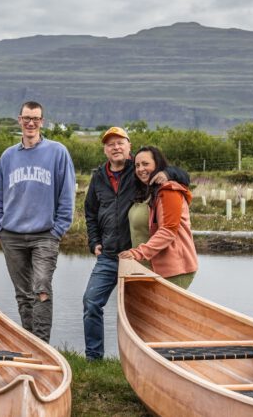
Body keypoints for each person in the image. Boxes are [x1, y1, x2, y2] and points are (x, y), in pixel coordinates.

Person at [83, 128, 189, 360]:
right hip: (109, 256)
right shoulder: (98, 176)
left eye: (120, 142)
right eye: (110, 144)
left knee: (139, 313)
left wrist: (168, 172)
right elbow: (90, 211)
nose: (116, 147)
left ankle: (137, 360)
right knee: (91, 302)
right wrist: (94, 241)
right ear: (105, 150)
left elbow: (182, 176)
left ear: (129, 146)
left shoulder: (139, 170)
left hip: (139, 259)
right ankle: (93, 358)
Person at [0, 101, 76, 343]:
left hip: (45, 235)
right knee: (23, 294)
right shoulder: (8, 156)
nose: (31, 123)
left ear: (42, 122)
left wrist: (58, 229)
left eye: (36, 119)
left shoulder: (57, 152)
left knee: (41, 289)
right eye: (26, 118)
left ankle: (42, 345)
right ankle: (29, 344)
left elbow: (67, 194)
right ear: (19, 120)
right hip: (12, 235)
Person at [119, 145, 198, 289]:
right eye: (137, 165)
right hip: (146, 266)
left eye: (145, 164)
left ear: (158, 165)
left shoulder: (169, 191)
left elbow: (168, 230)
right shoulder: (144, 191)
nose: (140, 169)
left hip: (173, 269)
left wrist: (137, 253)